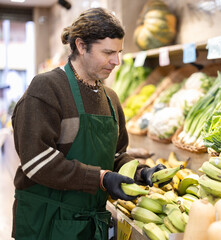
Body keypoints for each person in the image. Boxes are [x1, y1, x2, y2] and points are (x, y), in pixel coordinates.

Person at [11, 7, 169, 240]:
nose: (116, 61)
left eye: (119, 52)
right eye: (108, 52)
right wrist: (101, 178)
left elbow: (115, 156)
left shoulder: (110, 99)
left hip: (88, 225)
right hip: (46, 222)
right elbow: (36, 161)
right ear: (81, 46)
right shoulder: (47, 89)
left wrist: (139, 171)